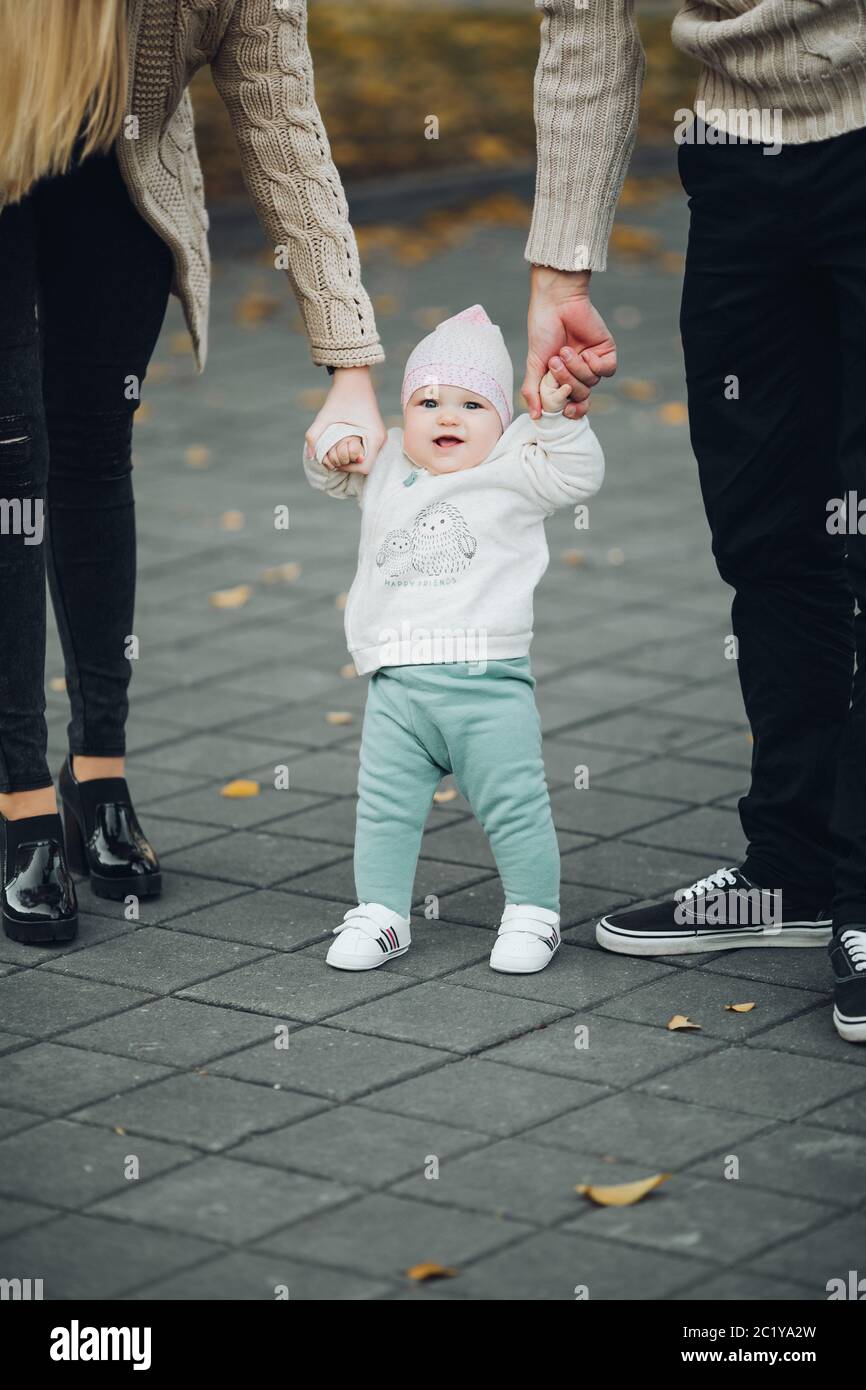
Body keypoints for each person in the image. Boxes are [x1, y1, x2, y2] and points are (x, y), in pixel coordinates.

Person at [0, 0, 384, 945]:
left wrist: (350, 365)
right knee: (11, 462)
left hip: (122, 170)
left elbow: (284, 125)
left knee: (92, 450)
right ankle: (16, 795)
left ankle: (97, 776)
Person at [520, 0, 866, 1042]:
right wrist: (559, 270)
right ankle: (794, 867)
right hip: (733, 164)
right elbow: (583, 23)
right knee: (765, 530)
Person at [303, 305, 604, 973]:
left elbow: (580, 476)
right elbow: (329, 476)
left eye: (472, 404)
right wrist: (335, 448)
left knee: (514, 806)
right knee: (382, 810)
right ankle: (381, 912)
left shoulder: (515, 466)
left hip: (486, 688)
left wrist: (555, 421)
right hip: (396, 690)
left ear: (503, 420)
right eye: (428, 400)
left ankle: (533, 912)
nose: (447, 416)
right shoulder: (385, 463)